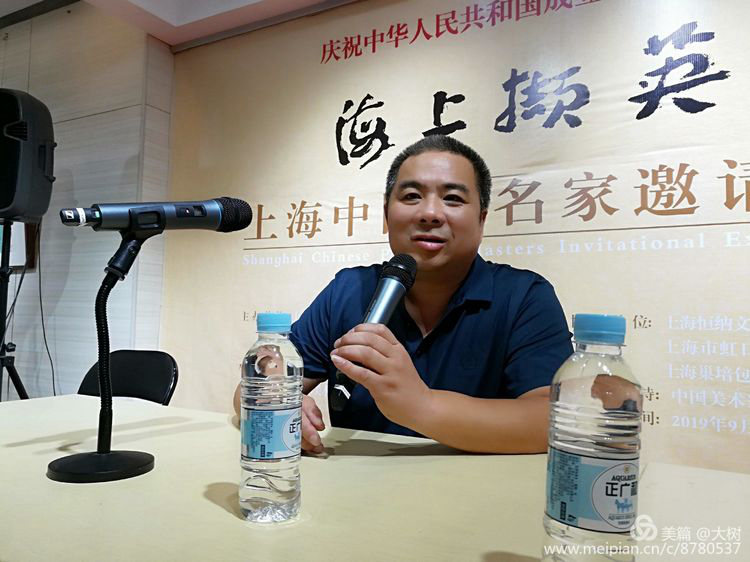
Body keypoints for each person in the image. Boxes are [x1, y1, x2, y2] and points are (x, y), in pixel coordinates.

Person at [235, 135, 572, 454]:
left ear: (481, 220)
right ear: (386, 215)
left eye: (453, 198)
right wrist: (278, 402)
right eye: (411, 196)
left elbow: (550, 419)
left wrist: (422, 405)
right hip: (356, 487)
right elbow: (254, 384)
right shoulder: (349, 290)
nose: (430, 213)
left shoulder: (525, 297)